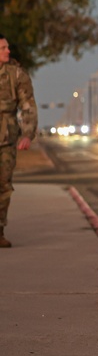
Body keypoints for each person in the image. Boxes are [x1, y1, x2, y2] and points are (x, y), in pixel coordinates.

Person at [0, 35, 37, 248]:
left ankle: (0, 229)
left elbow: (28, 105)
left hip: (6, 137)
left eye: (7, 47)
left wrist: (27, 133)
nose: (8, 51)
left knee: (4, 185)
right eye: (3, 48)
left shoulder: (17, 75)